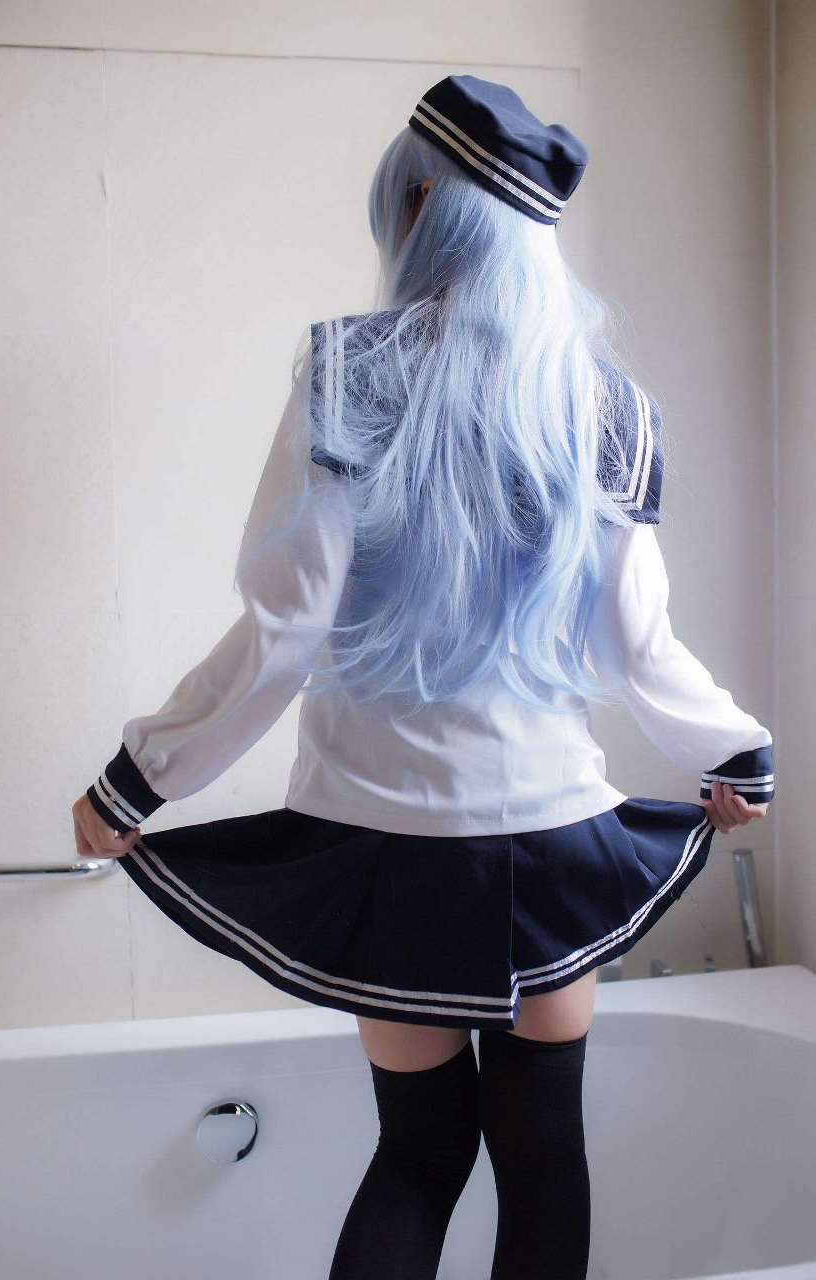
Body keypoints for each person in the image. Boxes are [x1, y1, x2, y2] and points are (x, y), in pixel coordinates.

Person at [72, 75, 774, 1280]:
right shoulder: (607, 409)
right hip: (550, 839)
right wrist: (735, 753)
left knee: (418, 1153)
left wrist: (138, 782)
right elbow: (636, 645)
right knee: (543, 1157)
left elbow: (282, 629)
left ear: (416, 209)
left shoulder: (347, 372)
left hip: (389, 843)